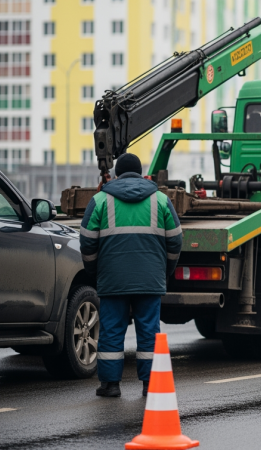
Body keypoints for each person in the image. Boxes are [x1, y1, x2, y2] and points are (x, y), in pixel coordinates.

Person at [79, 153, 183, 397]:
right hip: (149, 280)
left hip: (112, 279)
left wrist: (95, 272)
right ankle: (150, 385)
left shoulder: (100, 200)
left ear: (116, 174)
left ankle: (110, 385)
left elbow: (87, 242)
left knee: (111, 330)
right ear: (141, 174)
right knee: (149, 331)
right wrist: (164, 271)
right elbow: (176, 241)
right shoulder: (161, 200)